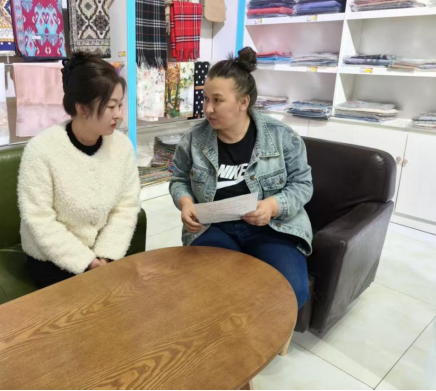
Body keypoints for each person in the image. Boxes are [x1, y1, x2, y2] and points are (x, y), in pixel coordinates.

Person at [169, 47, 313, 308]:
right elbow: (179, 179)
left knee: (291, 292)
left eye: (217, 100)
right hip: (214, 227)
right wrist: (186, 203)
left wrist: (272, 206)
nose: (208, 109)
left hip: (272, 228)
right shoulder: (194, 139)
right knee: (210, 287)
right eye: (205, 99)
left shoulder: (282, 136)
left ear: (243, 102)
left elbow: (303, 184)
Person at [18, 52, 141, 289]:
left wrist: (106, 255)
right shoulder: (41, 150)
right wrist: (87, 262)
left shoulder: (122, 147)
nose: (119, 115)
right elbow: (39, 219)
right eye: (111, 106)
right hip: (53, 261)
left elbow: (126, 207)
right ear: (83, 108)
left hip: (105, 255)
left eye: (120, 105)